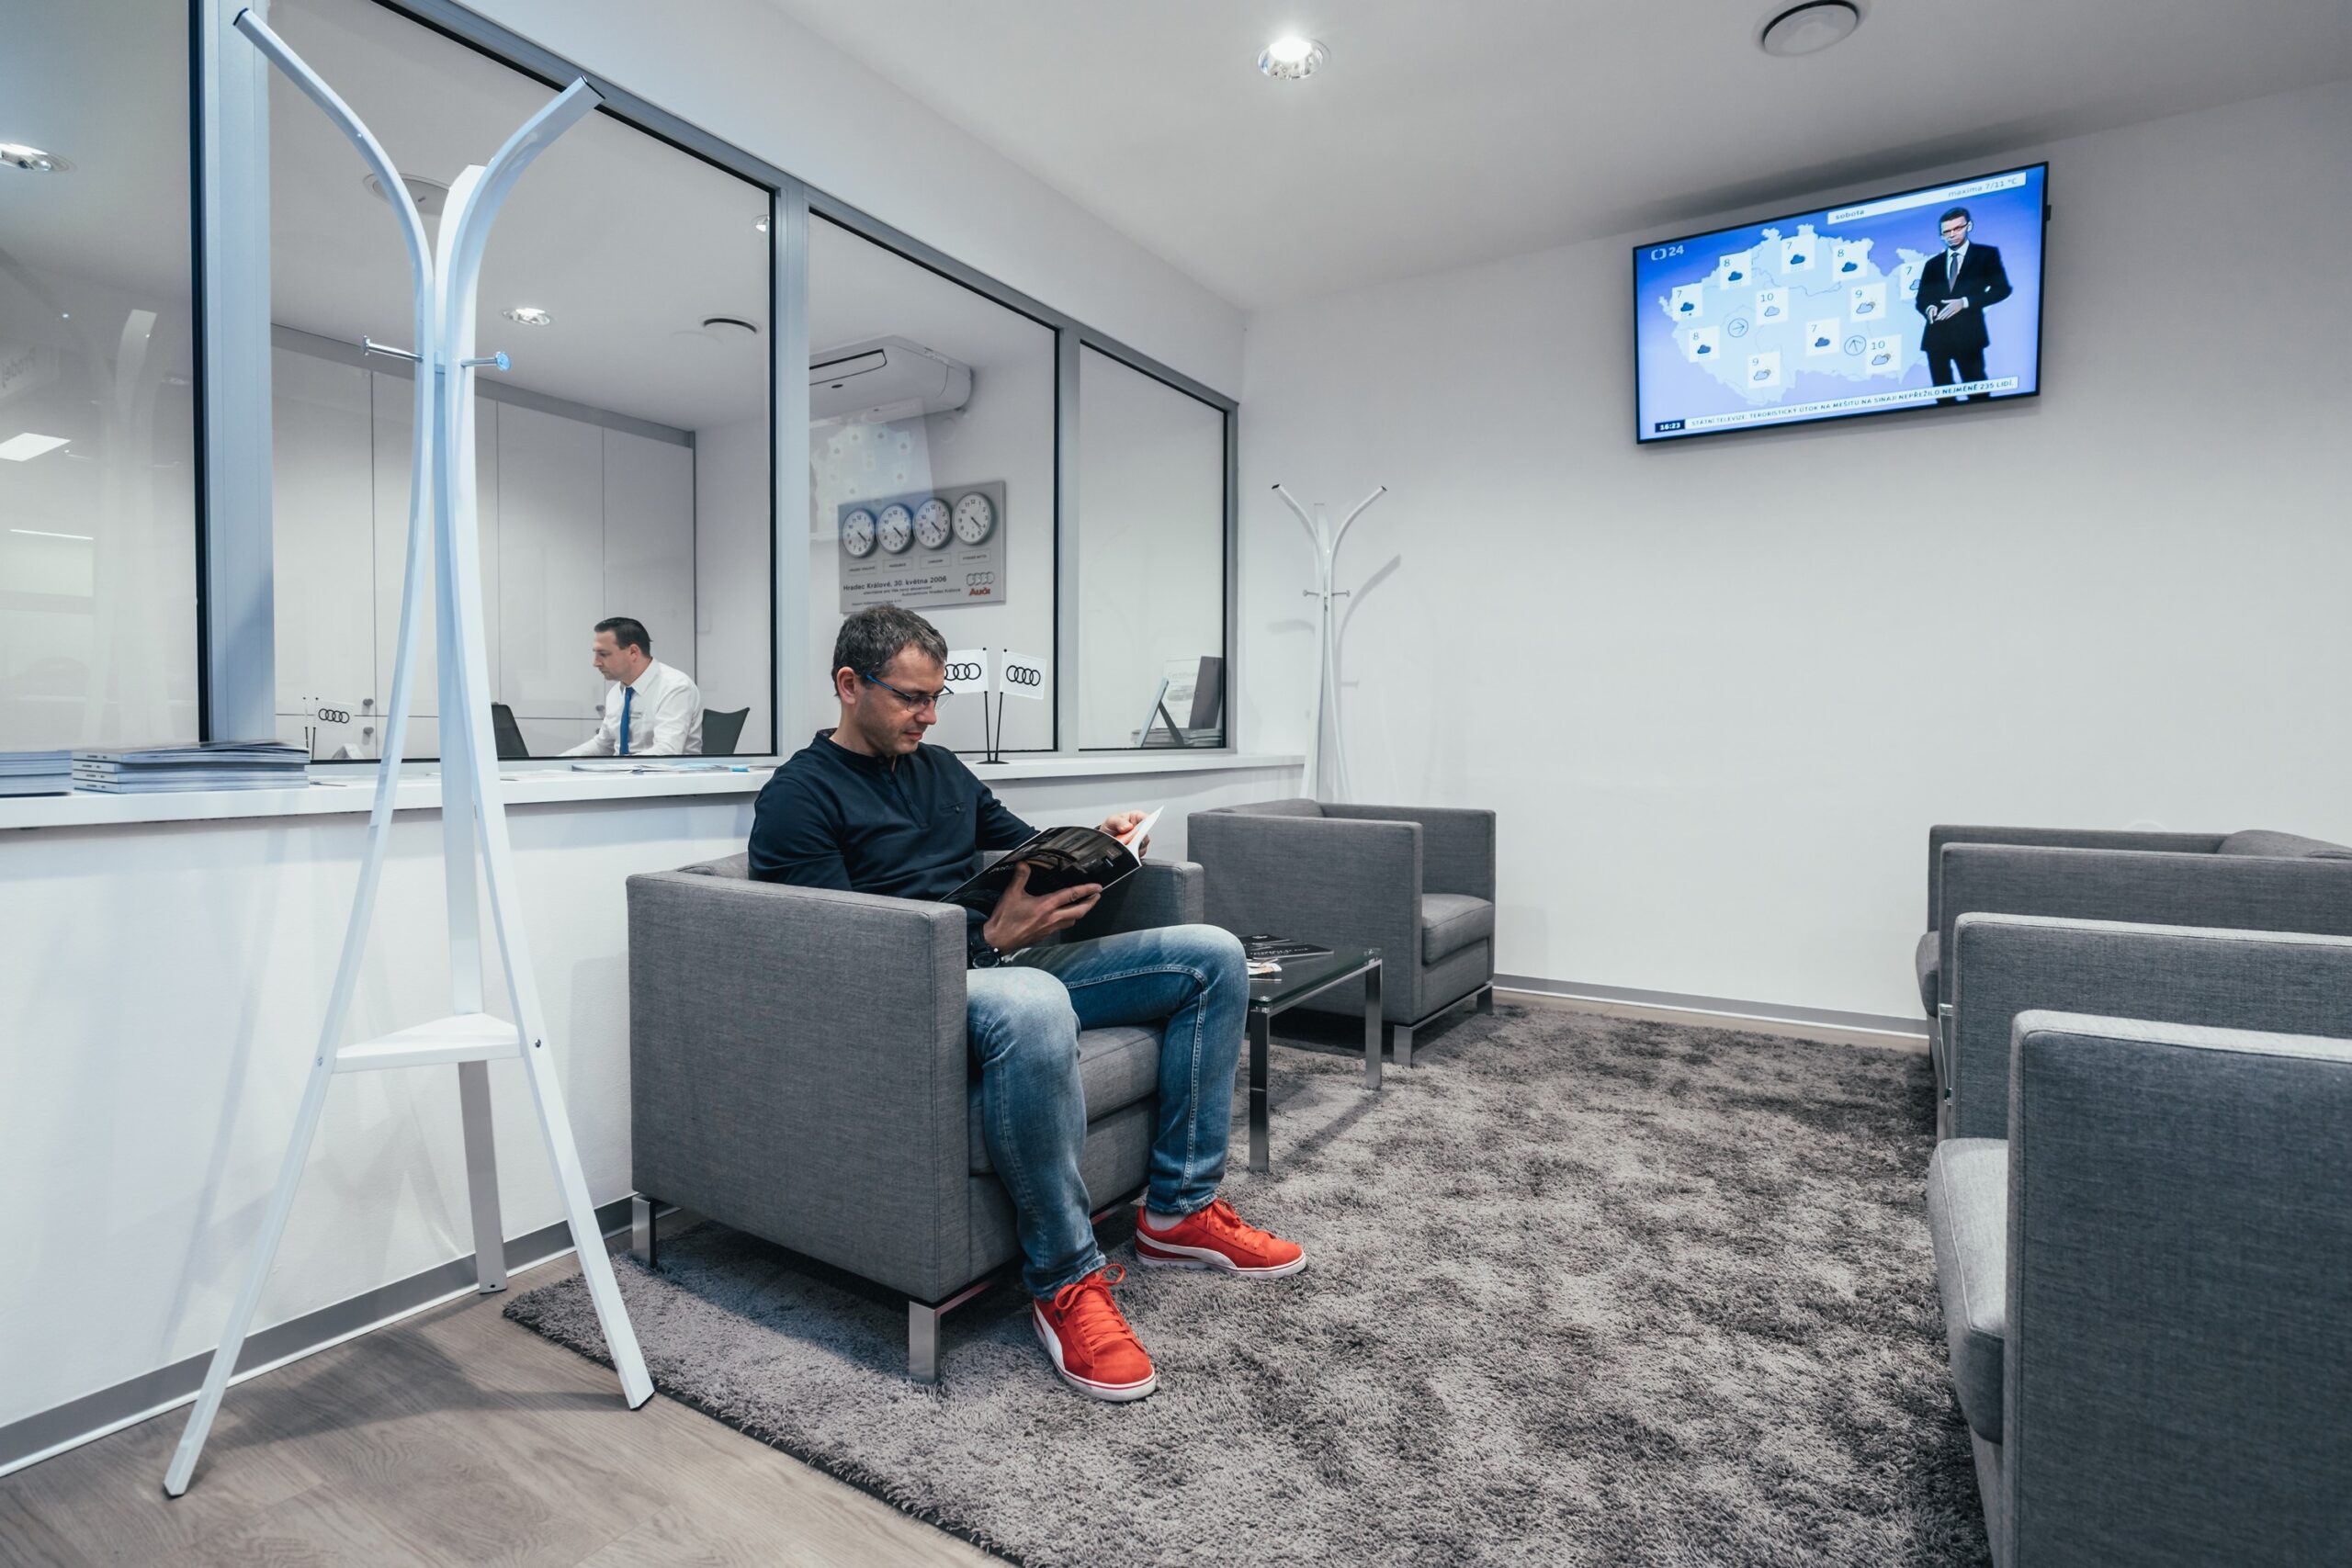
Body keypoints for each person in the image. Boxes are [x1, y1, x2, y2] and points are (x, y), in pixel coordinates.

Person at [749, 604, 1303, 1403]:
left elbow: (1024, 849)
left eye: (936, 697)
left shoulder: (941, 770)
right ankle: (1065, 1279)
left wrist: (1102, 844)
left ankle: (1179, 1212)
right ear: (848, 684)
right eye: (911, 698)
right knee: (1035, 1001)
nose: (929, 716)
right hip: (926, 986)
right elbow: (845, 955)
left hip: (1008, 958)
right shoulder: (798, 797)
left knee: (1213, 954)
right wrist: (987, 942)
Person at [562, 616, 703, 756]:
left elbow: (666, 751)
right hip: (623, 769)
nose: (596, 663)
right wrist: (558, 761)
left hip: (664, 770)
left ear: (633, 652)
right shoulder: (616, 692)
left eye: (603, 654)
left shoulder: (675, 687)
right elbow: (603, 745)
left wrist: (618, 768)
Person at [1915, 205, 2013, 395]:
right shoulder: (1932, 264)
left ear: (1969, 226)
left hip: (1969, 336)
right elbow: (1922, 298)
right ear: (1941, 235)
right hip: (1936, 338)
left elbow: (2002, 289)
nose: (1952, 235)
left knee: (1977, 393)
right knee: (1942, 396)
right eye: (1946, 232)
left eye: (1957, 228)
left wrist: (1965, 302)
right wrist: (1928, 308)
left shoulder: (1986, 255)